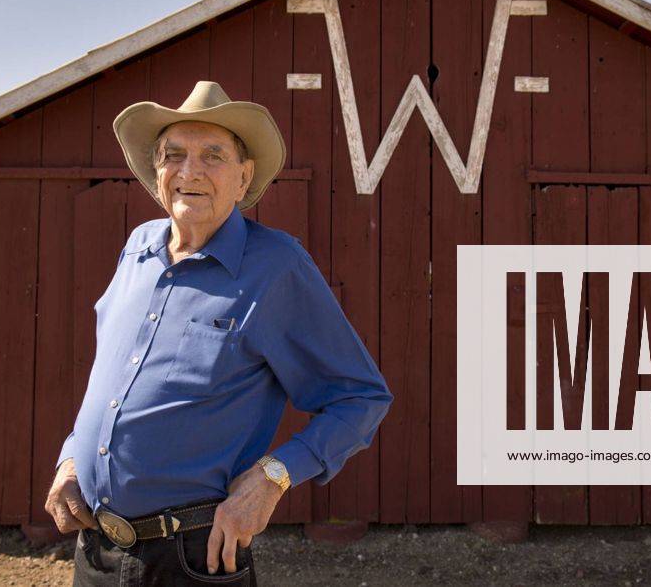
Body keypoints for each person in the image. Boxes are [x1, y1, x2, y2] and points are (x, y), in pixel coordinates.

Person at [44, 80, 393, 586]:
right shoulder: (138, 247)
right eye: (174, 154)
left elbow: (360, 397)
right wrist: (72, 460)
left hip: (193, 558)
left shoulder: (276, 266)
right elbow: (114, 380)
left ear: (244, 176)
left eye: (213, 155)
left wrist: (274, 477)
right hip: (94, 553)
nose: (190, 171)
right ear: (157, 171)